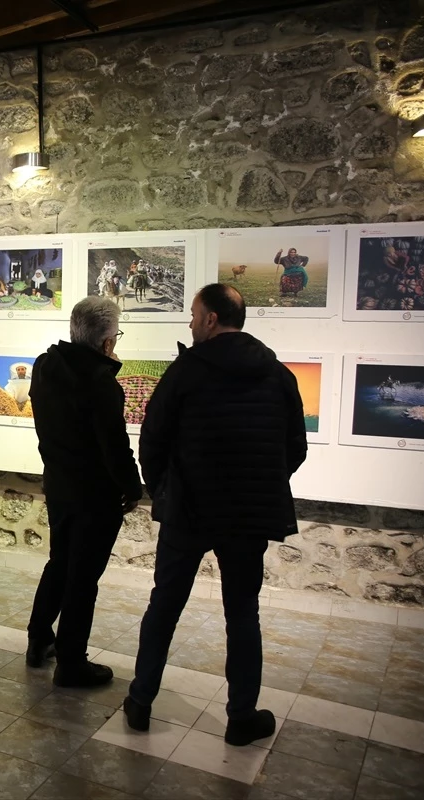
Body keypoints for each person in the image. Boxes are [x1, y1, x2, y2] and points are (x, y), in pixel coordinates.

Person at [124, 283, 307, 746]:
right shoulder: (276, 373)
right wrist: (258, 482)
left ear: (209, 320)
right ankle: (241, 716)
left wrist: (165, 489)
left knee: (164, 605)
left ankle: (141, 702)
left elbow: (153, 439)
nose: (189, 321)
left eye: (192, 314)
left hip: (190, 509)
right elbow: (294, 450)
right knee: (243, 613)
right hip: (248, 514)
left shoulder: (187, 372)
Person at [26, 296, 142, 687]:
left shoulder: (44, 367)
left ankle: (39, 639)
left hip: (58, 484)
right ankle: (71, 662)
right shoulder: (100, 382)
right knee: (83, 577)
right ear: (107, 342)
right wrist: (132, 486)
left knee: (60, 563)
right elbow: (114, 446)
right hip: (94, 495)